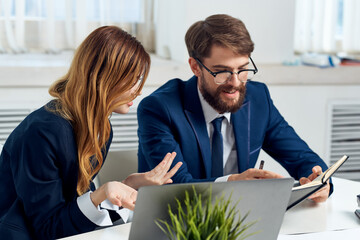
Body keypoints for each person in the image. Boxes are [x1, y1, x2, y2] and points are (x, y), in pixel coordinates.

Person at [0, 26, 182, 240]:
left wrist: (127, 185)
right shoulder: (42, 133)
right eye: (132, 78)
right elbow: (48, 229)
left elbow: (74, 206)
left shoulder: (100, 128)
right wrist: (101, 193)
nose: (139, 89)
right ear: (103, 77)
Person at [137, 14, 331, 203]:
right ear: (195, 67)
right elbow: (174, 188)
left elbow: (301, 156)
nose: (236, 83)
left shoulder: (257, 99)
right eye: (222, 72)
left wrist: (319, 182)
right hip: (174, 223)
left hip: (241, 220)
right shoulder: (159, 109)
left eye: (243, 69)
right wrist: (231, 183)